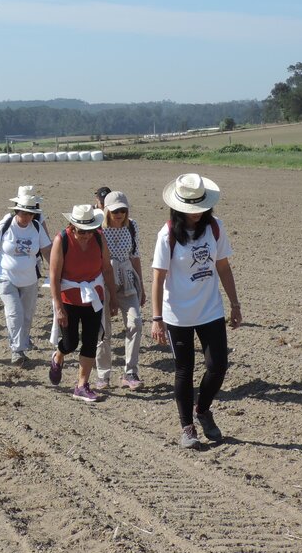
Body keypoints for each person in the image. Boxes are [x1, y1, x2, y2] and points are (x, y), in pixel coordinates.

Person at [151, 173, 241, 450]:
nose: (198, 213)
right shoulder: (167, 235)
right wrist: (157, 318)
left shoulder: (215, 227)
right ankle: (187, 427)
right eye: (192, 208)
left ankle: (202, 409)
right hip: (178, 315)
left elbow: (223, 266)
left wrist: (235, 304)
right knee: (184, 370)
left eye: (201, 206)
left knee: (218, 366)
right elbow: (158, 277)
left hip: (210, 310)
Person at [48, 204, 118, 403]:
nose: (86, 235)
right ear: (72, 227)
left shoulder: (99, 237)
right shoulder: (62, 240)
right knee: (70, 343)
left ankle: (81, 386)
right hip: (69, 298)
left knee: (90, 341)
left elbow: (107, 269)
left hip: (94, 297)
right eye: (81, 231)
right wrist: (58, 307)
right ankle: (58, 356)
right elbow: (54, 276)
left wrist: (113, 298)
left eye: (89, 230)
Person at [0, 193, 52, 366]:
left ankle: (22, 343)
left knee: (27, 315)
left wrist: (56, 271)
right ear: (16, 211)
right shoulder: (5, 225)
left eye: (30, 214)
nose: (27, 217)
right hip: (5, 277)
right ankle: (17, 350)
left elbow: (47, 250)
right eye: (24, 213)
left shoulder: (36, 227)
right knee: (14, 313)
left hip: (30, 279)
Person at [96, 191, 146, 390]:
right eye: (115, 211)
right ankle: (103, 375)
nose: (120, 214)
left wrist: (142, 287)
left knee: (135, 323)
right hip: (104, 281)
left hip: (127, 280)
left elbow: (135, 256)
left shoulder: (132, 226)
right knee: (104, 330)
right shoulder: (98, 229)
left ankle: (130, 372)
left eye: (123, 210)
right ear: (107, 210)